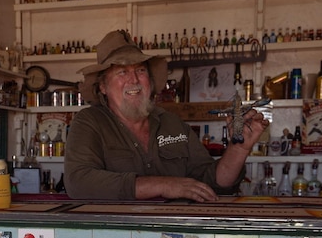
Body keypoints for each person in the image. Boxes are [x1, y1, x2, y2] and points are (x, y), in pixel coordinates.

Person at [64, 30, 267, 201]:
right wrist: (163, 184)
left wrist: (238, 149)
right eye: (122, 72)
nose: (133, 79)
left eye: (140, 70)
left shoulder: (172, 124)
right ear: (103, 86)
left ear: (150, 81)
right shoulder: (89, 122)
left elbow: (213, 183)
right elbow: (78, 183)